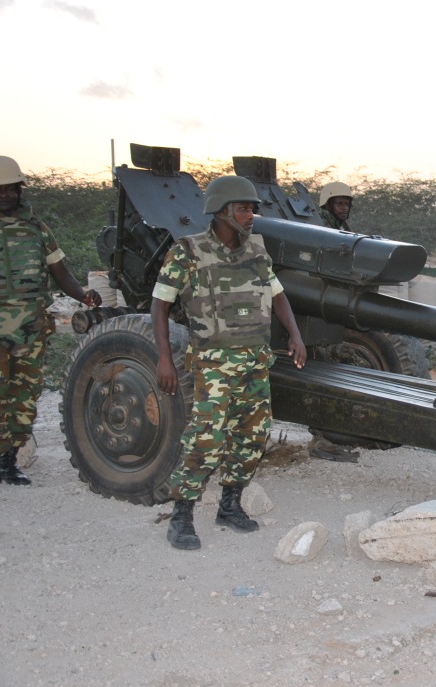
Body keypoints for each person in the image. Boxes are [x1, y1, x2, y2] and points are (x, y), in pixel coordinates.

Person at [151, 175, 307, 550]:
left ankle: (230, 505)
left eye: (252, 207)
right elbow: (160, 305)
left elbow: (278, 295)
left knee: (252, 436)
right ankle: (182, 515)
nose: (251, 214)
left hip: (255, 359)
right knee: (206, 439)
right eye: (243, 208)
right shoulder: (188, 251)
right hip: (214, 362)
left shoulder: (256, 249)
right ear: (222, 211)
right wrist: (164, 360)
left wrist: (295, 335)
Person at [0, 155, 102, 490]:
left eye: (9, 188)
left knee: (24, 395)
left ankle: (10, 462)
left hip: (30, 325)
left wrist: (84, 295)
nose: (3, 194)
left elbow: (59, 272)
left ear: (19, 188)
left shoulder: (37, 227)